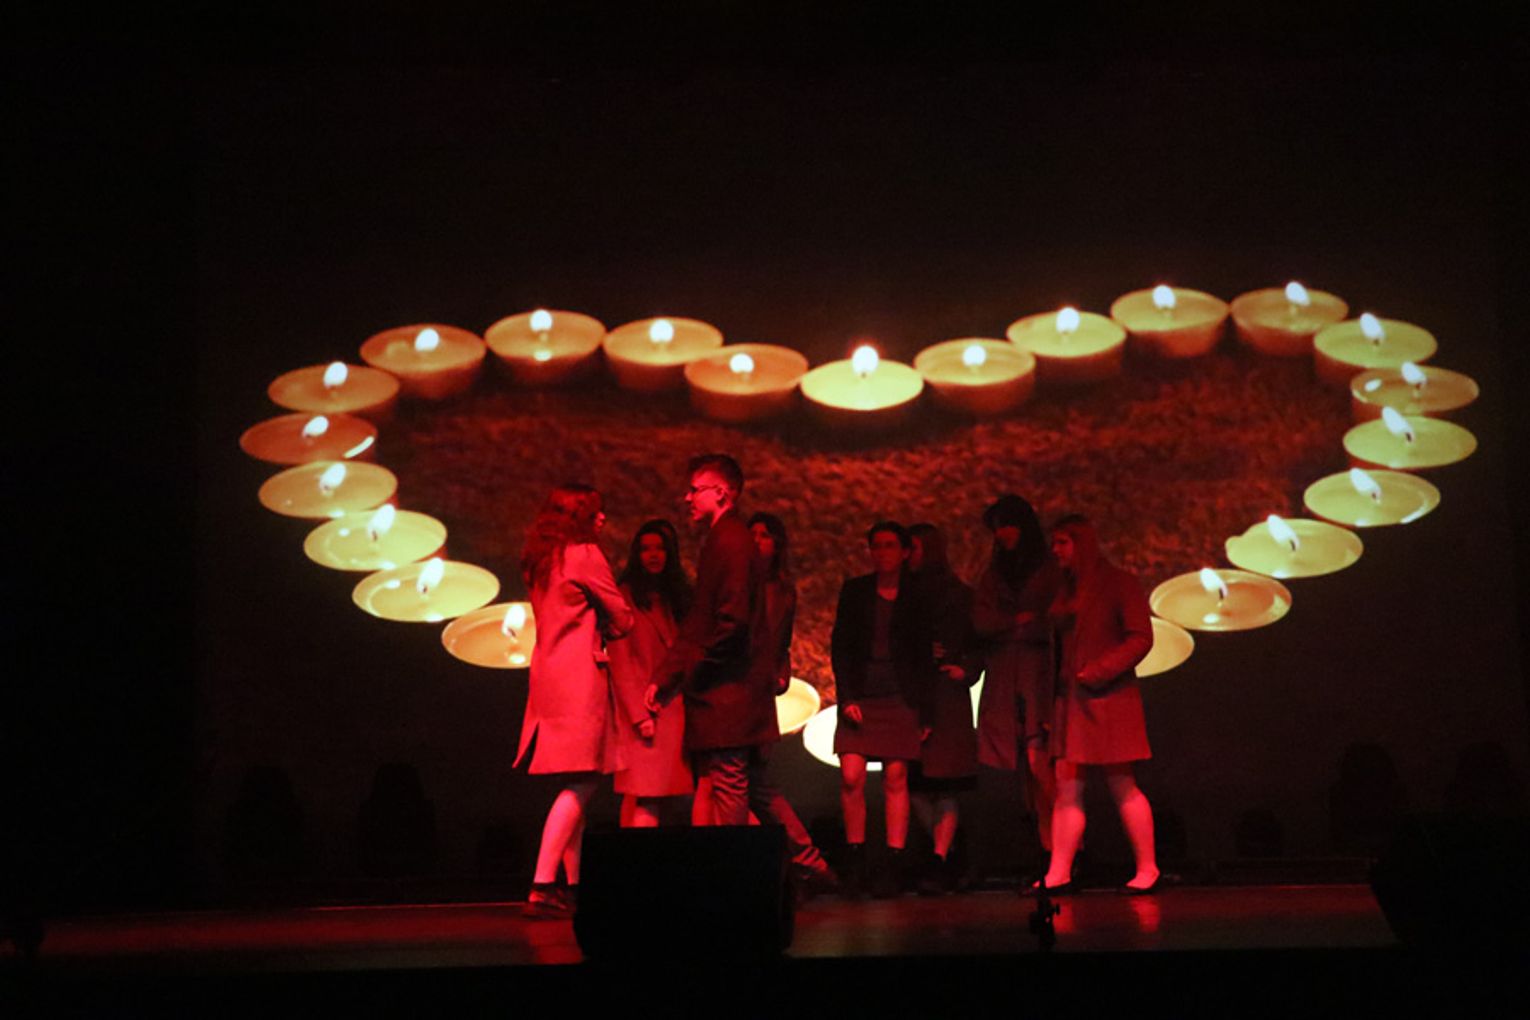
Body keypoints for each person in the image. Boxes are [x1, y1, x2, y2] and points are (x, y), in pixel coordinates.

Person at [516, 484, 635, 918]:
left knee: (574, 779)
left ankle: (574, 883)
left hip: (548, 673)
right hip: (579, 676)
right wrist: (611, 625)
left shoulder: (541, 558)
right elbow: (621, 616)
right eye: (595, 512)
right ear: (578, 518)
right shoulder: (583, 554)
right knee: (584, 780)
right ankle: (542, 884)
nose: (602, 519)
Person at [645, 454, 778, 825]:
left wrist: (691, 670)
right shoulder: (724, 540)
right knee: (744, 787)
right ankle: (803, 856)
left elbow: (729, 622)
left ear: (721, 493)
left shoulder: (731, 542)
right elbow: (706, 621)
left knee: (730, 784)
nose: (687, 498)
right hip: (726, 689)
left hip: (727, 692)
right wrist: (668, 676)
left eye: (695, 490)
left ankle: (739, 861)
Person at [1037, 514, 1159, 894]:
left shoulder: (1119, 583)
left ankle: (1148, 868)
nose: (1055, 550)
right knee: (1067, 785)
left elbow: (1141, 637)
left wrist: (1099, 671)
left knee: (1121, 782)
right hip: (1071, 701)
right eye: (1054, 543)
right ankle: (1059, 872)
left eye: (1062, 542)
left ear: (1081, 543)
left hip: (1107, 698)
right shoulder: (1064, 588)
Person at [831, 521, 935, 897]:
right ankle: (856, 860)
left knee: (896, 777)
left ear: (905, 552)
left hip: (900, 696)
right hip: (862, 694)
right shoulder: (856, 591)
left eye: (890, 545)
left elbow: (923, 657)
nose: (882, 553)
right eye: (876, 545)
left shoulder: (917, 595)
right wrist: (847, 698)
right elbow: (841, 647)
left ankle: (894, 863)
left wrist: (926, 712)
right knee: (851, 776)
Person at [972, 493, 1061, 878]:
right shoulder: (994, 573)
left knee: (1040, 761)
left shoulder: (1048, 568)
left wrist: (1025, 624)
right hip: (1007, 677)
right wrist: (1015, 623)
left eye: (1007, 525)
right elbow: (981, 620)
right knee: (1025, 765)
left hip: (1038, 675)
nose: (1002, 534)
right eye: (997, 528)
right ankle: (1047, 850)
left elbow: (1055, 617)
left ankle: (1065, 848)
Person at [907, 522, 981, 894]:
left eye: (914, 548)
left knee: (945, 783)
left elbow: (977, 641)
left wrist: (965, 668)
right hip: (915, 694)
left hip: (946, 695)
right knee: (915, 784)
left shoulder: (958, 595)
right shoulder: (902, 596)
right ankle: (947, 855)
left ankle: (940, 858)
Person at [609, 520, 693, 828]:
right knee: (647, 797)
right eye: (646, 549)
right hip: (647, 713)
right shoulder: (626, 597)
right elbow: (620, 660)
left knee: (658, 798)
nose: (654, 555)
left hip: (673, 711)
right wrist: (638, 715)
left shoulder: (676, 598)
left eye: (660, 548)